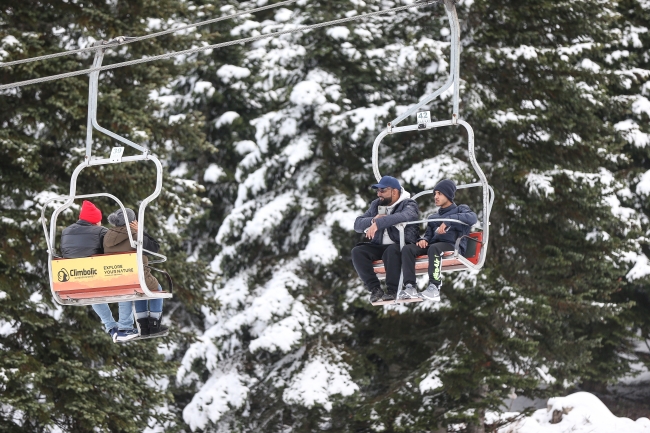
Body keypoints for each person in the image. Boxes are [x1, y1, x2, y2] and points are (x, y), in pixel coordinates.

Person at [60, 200, 137, 342]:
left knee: (92, 290)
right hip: (95, 278)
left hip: (73, 283)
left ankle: (111, 327)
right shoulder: (100, 231)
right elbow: (109, 249)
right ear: (96, 221)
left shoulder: (66, 232)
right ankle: (125, 327)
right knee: (124, 281)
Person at [399, 179, 477, 302]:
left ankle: (434, 287)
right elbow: (429, 235)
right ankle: (410, 286)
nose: (436, 197)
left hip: (453, 246)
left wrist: (448, 221)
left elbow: (472, 218)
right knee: (408, 249)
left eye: (439, 194)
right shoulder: (433, 217)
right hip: (433, 247)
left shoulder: (461, 209)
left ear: (448, 195)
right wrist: (424, 239)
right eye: (435, 194)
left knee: (434, 248)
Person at [351, 176, 419, 303]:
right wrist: (372, 220)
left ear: (394, 191)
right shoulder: (377, 204)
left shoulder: (409, 204)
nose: (379, 194)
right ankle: (375, 289)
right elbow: (357, 224)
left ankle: (393, 290)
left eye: (382, 191)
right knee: (358, 251)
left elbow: (404, 216)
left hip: (401, 245)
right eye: (377, 191)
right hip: (379, 245)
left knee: (392, 250)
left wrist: (379, 223)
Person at [104, 207, 168, 337]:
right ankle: (154, 326)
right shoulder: (134, 235)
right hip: (136, 277)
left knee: (139, 290)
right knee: (156, 289)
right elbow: (154, 247)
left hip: (115, 279)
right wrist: (140, 231)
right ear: (132, 222)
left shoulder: (106, 237)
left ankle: (143, 326)